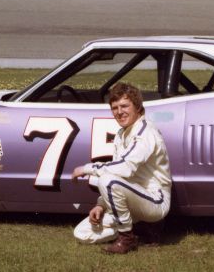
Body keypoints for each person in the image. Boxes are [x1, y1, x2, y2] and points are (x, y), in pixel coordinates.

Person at [72, 83, 172, 254]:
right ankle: (137, 232)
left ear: (137, 106)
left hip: (155, 200)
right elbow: (117, 173)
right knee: (82, 233)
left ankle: (126, 238)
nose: (119, 112)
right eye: (114, 108)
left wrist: (87, 168)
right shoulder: (121, 134)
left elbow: (125, 168)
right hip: (131, 200)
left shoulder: (145, 132)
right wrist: (101, 205)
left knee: (107, 181)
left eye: (125, 106)